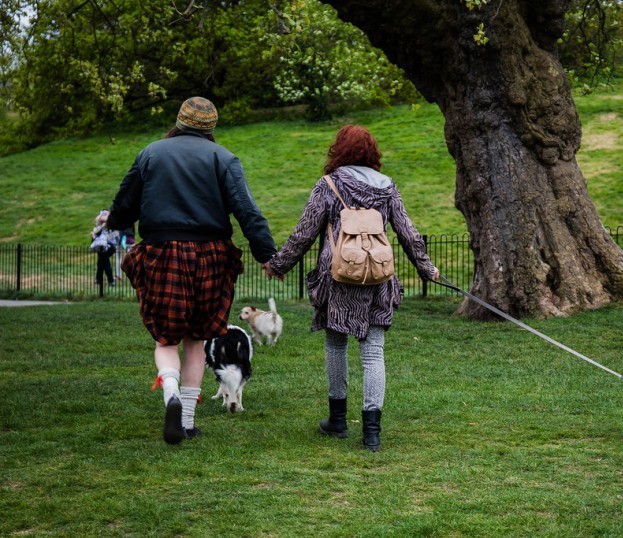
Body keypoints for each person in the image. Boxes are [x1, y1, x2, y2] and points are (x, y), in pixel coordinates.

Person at [99, 96, 277, 445]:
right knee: (196, 338)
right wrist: (267, 254)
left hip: (162, 252)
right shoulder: (224, 158)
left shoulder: (151, 153)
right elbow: (247, 211)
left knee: (165, 338)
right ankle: (187, 422)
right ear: (212, 127)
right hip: (211, 255)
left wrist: (115, 222)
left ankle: (171, 395)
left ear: (178, 122)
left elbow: (125, 202)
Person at [267, 125, 439, 452]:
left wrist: (279, 264)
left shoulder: (329, 185)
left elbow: (304, 232)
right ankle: (372, 433)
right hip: (378, 277)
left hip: (339, 276)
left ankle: (338, 421)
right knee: (373, 352)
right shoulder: (387, 187)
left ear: (339, 151)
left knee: (336, 345)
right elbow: (408, 233)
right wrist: (427, 268)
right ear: (372, 152)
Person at [91, 209, 118, 288]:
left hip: (109, 246)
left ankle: (110, 281)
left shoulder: (112, 225)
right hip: (100, 246)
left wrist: (105, 238)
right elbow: (95, 236)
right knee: (101, 261)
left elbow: (115, 236)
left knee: (105, 262)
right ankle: (99, 279)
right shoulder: (99, 226)